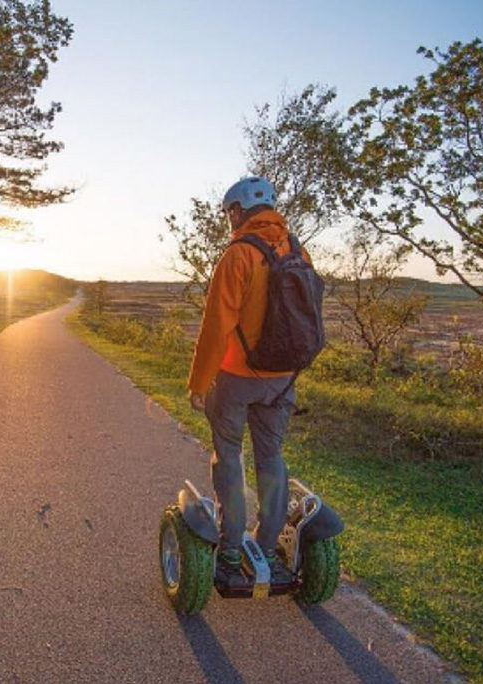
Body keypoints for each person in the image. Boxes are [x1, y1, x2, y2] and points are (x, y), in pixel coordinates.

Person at [187, 175, 305, 587]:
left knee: (230, 457)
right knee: (271, 458)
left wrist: (199, 383)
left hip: (237, 378)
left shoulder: (238, 255)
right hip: (283, 381)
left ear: (238, 211)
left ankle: (232, 549)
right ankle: (270, 548)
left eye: (230, 213)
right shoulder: (297, 251)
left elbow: (217, 327)